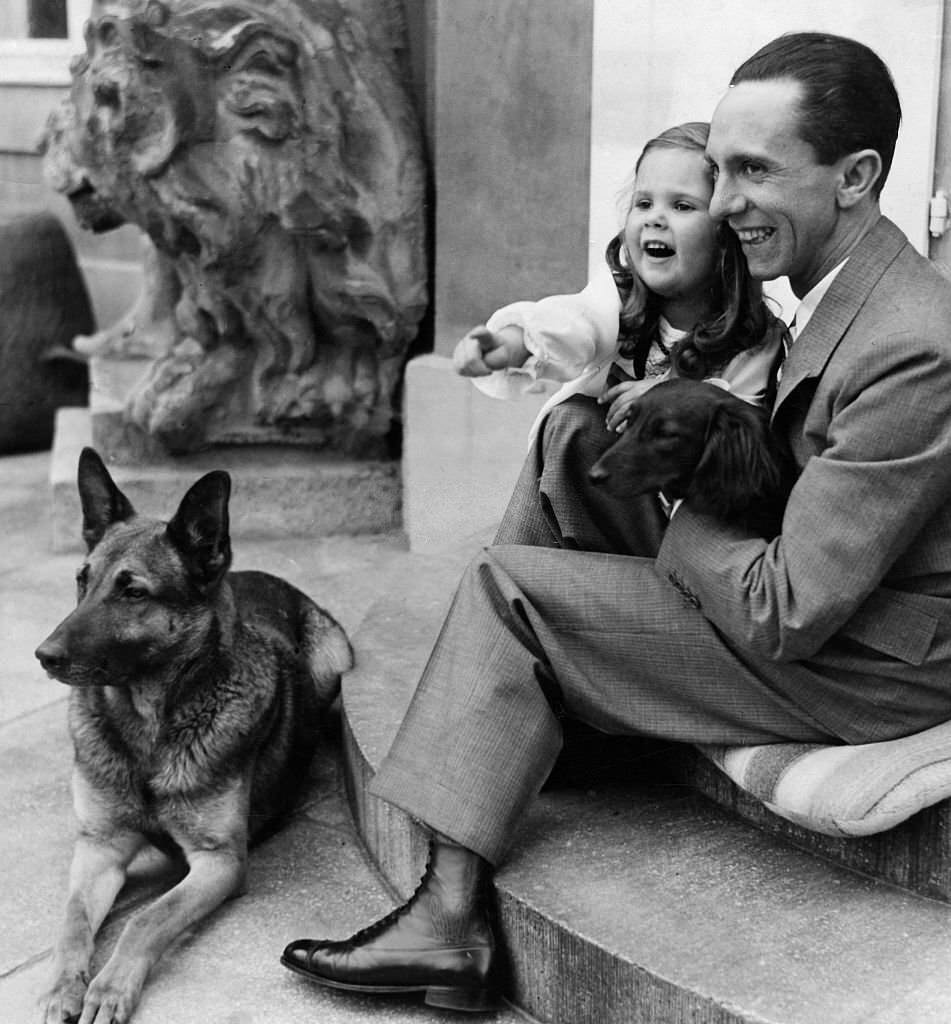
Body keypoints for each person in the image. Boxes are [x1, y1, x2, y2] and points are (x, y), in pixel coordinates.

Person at [280, 32, 951, 1014]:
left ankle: (449, 923)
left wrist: (677, 508)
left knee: (508, 594)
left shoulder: (911, 344)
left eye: (755, 172)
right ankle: (526, 714)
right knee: (578, 437)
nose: (723, 203)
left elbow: (790, 608)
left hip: (866, 662)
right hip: (805, 586)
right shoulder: (821, 287)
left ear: (857, 177)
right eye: (719, 170)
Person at [452, 120, 786, 555]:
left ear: (726, 235)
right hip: (610, 486)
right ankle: (517, 570)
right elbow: (576, 323)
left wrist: (671, 394)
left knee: (573, 426)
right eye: (643, 203)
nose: (655, 220)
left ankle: (524, 582)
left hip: (690, 522)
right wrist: (513, 343)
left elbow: (743, 418)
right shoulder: (621, 299)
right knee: (571, 421)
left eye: (682, 206)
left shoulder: (753, 339)